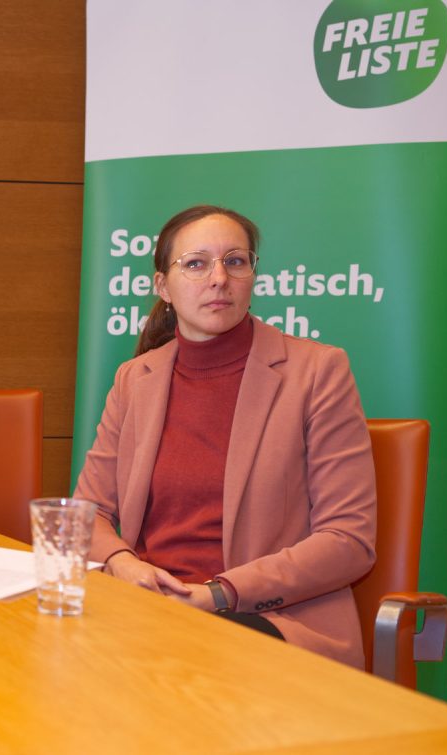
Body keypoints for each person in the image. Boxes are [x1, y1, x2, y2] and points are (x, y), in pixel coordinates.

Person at [74, 204, 376, 667]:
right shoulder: (135, 378)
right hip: (145, 609)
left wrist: (219, 594)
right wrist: (122, 563)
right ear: (163, 287)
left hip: (271, 620)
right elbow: (87, 514)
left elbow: (349, 540)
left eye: (235, 261)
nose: (219, 278)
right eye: (196, 263)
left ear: (253, 275)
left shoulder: (318, 371)